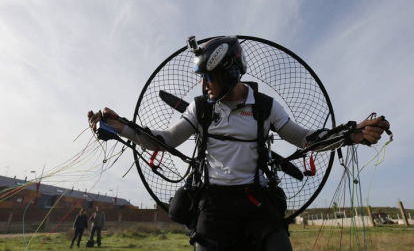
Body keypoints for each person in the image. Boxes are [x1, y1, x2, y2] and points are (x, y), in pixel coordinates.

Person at [88, 36, 390, 251]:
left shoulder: (265, 107)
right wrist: (121, 127)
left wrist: (351, 134)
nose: (204, 85)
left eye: (209, 78)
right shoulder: (201, 108)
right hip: (213, 203)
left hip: (256, 200)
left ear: (230, 72)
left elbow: (305, 140)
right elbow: (165, 141)